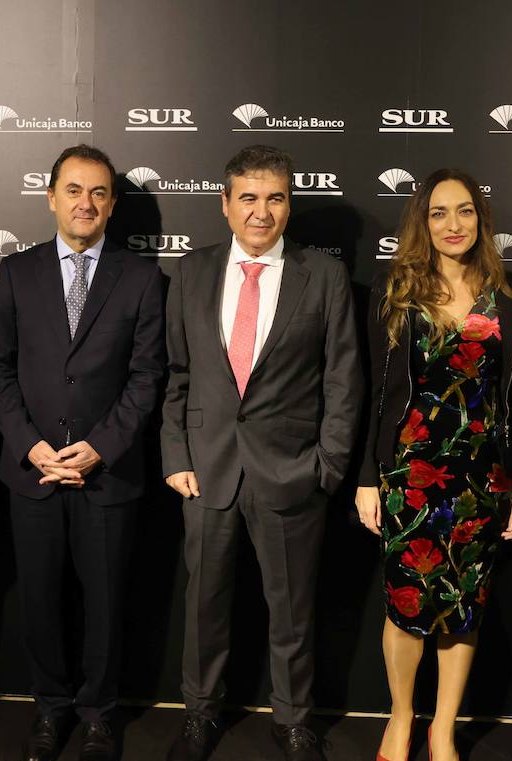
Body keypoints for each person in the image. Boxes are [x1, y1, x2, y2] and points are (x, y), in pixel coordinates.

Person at [160, 144, 362, 761]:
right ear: (225, 205)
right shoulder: (191, 272)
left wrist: (325, 468)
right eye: (248, 197)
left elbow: (343, 379)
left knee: (294, 611)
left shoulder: (323, 276)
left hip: (292, 473)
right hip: (207, 469)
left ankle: (294, 720)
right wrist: (175, 455)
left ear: (289, 205)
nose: (261, 211)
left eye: (275, 198)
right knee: (203, 608)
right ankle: (199, 715)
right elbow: (177, 373)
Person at [0, 144, 166, 761]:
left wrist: (100, 447)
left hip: (107, 474)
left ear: (112, 202)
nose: (85, 203)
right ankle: (50, 709)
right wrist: (33, 447)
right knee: (38, 600)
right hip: (32, 471)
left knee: (106, 605)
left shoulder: (142, 277)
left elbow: (148, 377)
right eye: (73, 190)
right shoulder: (17, 272)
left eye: (98, 192)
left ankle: (98, 714)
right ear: (51, 196)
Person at [354, 169, 512, 761]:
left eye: (464, 211)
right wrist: (366, 477)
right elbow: (375, 392)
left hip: (483, 479)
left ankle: (443, 729)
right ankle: (403, 719)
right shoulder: (394, 289)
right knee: (407, 604)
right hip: (409, 474)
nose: (452, 225)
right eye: (438, 213)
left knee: (463, 605)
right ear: (421, 222)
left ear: (480, 220)